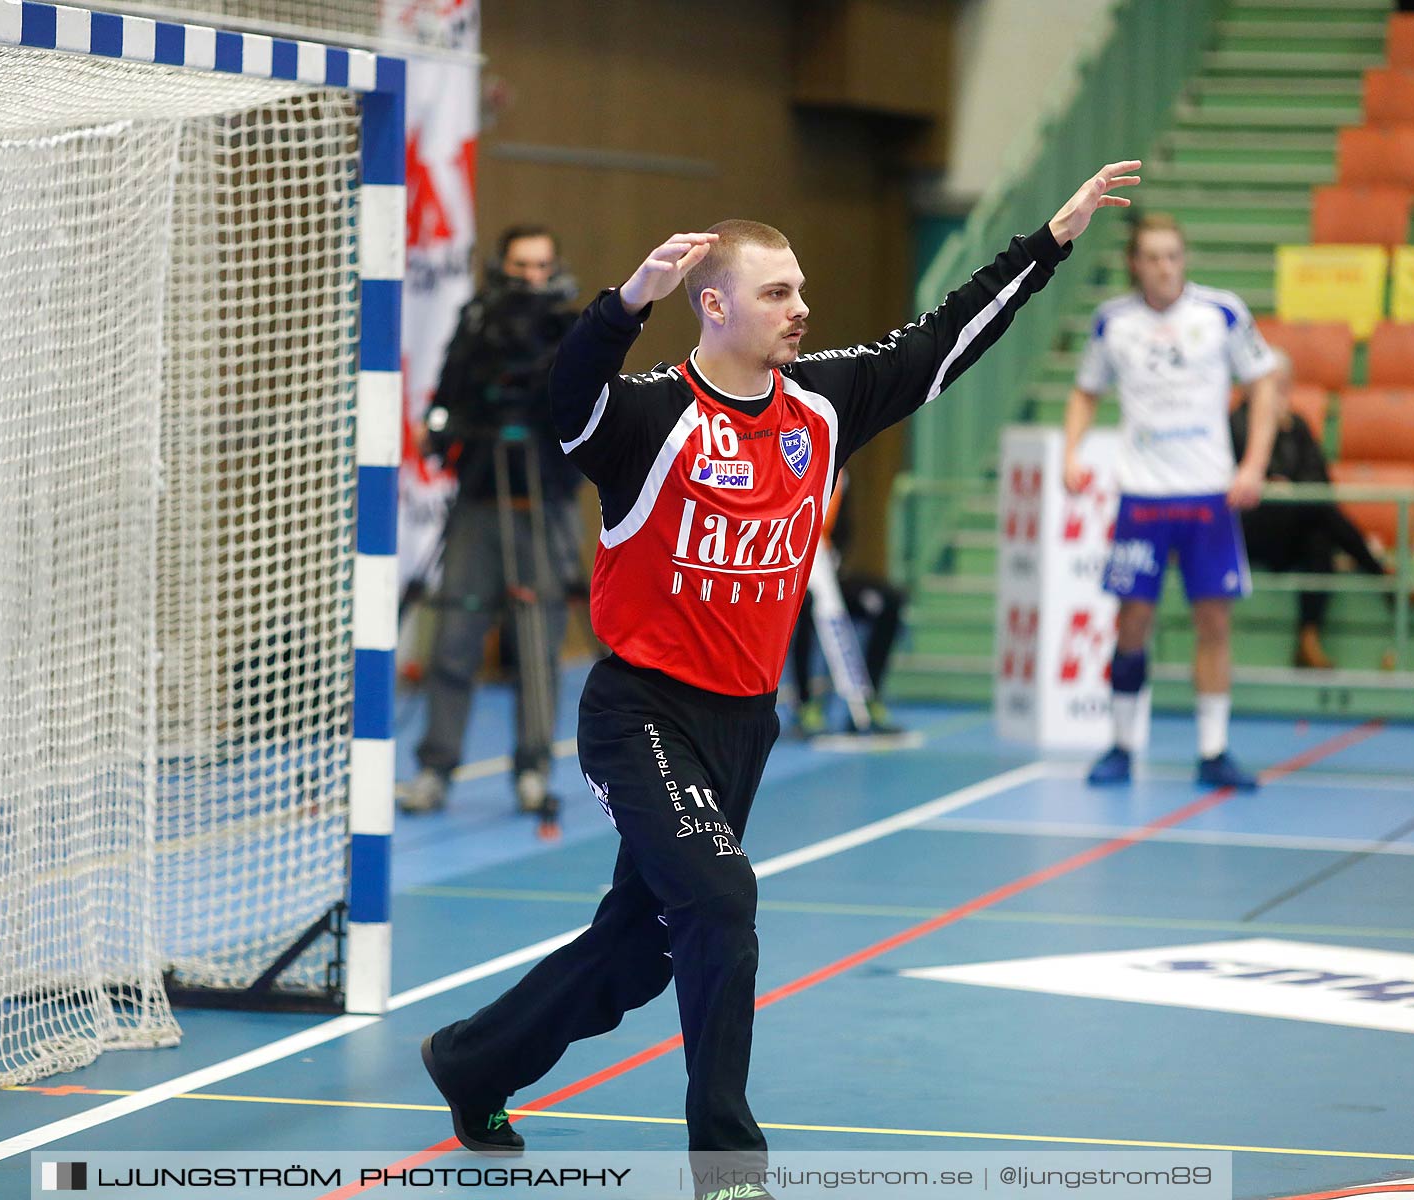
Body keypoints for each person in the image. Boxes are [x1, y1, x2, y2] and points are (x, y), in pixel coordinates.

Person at [416, 161, 1141, 1199]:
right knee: (718, 899)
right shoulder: (645, 418)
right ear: (711, 306)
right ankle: (730, 1167)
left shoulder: (822, 407)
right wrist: (622, 309)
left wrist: (1048, 244)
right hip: (641, 713)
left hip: (743, 723)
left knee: (638, 950)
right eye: (776, 292)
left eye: (800, 291)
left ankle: (473, 1060)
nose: (801, 309)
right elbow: (562, 395)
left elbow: (942, 340)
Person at [1064, 212, 1280, 791]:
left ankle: (1214, 751)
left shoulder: (1221, 313)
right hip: (1144, 496)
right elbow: (1085, 392)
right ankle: (1122, 745)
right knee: (1132, 621)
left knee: (1214, 621)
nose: (1165, 267)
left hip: (1208, 495)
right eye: (1153, 256)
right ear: (1135, 263)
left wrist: (1254, 462)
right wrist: (1070, 453)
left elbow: (1264, 382)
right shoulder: (1113, 322)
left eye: (1173, 255)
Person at [400, 226, 583, 816]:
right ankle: (435, 769)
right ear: (501, 266)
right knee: (454, 640)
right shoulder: (477, 321)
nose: (530, 276)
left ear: (555, 266)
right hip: (479, 499)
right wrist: (442, 425)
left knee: (535, 644)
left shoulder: (570, 327)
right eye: (520, 264)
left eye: (541, 264)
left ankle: (533, 770)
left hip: (544, 501)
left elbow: (583, 412)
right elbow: (447, 394)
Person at [1228, 349, 1398, 670]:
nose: (1279, 392)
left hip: (1294, 524)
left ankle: (1308, 640)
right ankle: (1381, 576)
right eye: (1272, 384)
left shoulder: (1297, 424)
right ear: (1252, 386)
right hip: (1251, 529)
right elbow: (1248, 475)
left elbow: (1320, 479)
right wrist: (1272, 438)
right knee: (1321, 513)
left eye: (1284, 385)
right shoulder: (1235, 422)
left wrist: (1287, 468)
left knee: (1319, 538)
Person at [789, 475, 906, 736]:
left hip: (830, 573)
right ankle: (805, 706)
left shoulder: (842, 477)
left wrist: (834, 565)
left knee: (889, 602)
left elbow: (844, 533)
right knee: (806, 606)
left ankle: (867, 697)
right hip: (793, 575)